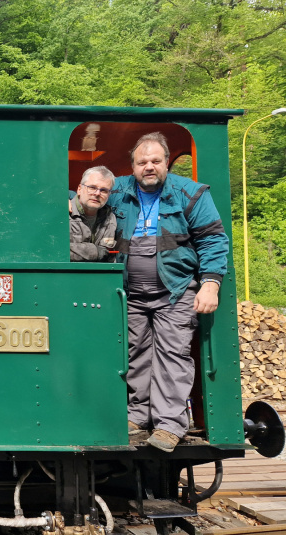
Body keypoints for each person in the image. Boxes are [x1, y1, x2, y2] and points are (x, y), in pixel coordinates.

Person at [107, 132, 228, 453]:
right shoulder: (117, 190)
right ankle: (138, 414)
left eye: (156, 161)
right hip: (129, 291)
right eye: (142, 162)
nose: (149, 167)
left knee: (172, 355)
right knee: (135, 352)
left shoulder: (191, 194)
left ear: (166, 163)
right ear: (132, 166)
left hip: (175, 291)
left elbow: (213, 240)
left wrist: (211, 283)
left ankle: (170, 424)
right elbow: (82, 194)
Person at [70, 166, 117, 262]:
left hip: (99, 276)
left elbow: (108, 255)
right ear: (79, 189)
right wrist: (96, 252)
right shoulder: (64, 213)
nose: (97, 193)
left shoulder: (109, 218)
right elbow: (55, 250)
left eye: (103, 190)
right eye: (92, 187)